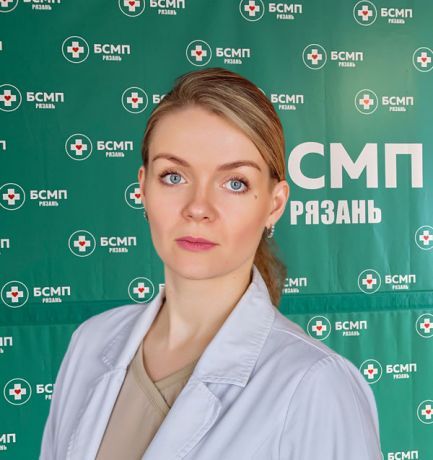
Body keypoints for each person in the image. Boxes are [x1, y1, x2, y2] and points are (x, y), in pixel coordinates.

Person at [39, 67, 382, 459]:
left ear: (274, 204)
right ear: (143, 188)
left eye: (235, 183)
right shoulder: (90, 342)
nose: (198, 208)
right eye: (173, 177)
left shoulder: (317, 385)